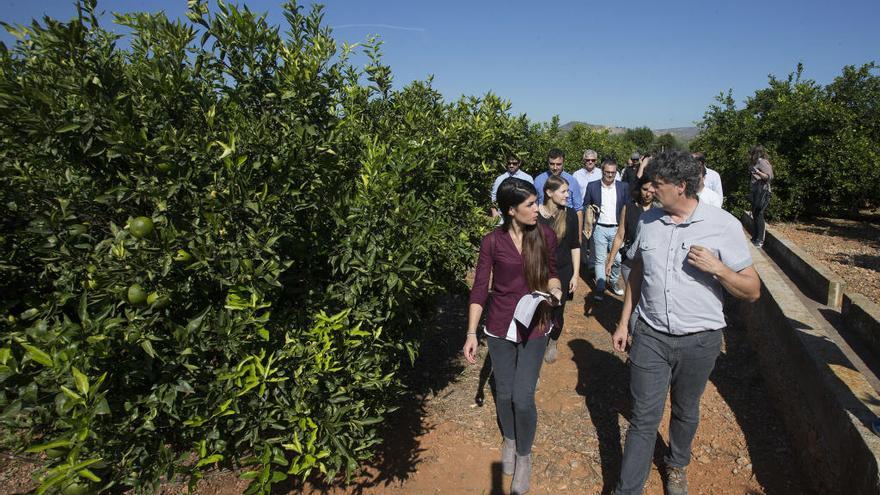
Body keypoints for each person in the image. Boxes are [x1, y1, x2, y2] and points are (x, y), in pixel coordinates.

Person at [610, 151, 761, 495]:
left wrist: (719, 269)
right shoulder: (648, 221)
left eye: (657, 184)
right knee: (644, 417)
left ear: (681, 186)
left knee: (685, 408)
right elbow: (636, 273)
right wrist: (623, 322)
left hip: (701, 341)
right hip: (650, 334)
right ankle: (627, 489)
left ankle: (676, 464)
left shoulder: (723, 225)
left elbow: (752, 291)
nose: (649, 189)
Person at [463, 177, 563, 494]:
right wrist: (470, 333)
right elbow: (480, 288)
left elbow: (552, 273)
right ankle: (509, 438)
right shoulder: (492, 241)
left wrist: (556, 290)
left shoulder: (544, 234)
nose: (537, 209)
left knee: (522, 397)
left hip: (535, 325)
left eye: (536, 202)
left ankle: (524, 455)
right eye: (530, 205)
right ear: (511, 210)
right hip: (499, 326)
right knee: (504, 394)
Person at [537, 175, 580, 363]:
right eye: (563, 191)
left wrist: (576, 274)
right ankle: (536, 348)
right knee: (539, 311)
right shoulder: (534, 215)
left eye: (568, 191)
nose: (567, 195)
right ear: (549, 192)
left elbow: (575, 245)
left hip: (562, 271)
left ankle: (553, 340)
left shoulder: (569, 214)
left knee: (557, 312)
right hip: (538, 272)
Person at [583, 158, 629, 301]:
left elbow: (627, 207)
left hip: (617, 228)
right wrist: (590, 213)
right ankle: (601, 287)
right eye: (607, 172)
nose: (610, 175)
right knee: (600, 259)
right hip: (599, 228)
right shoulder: (592, 186)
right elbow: (586, 204)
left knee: (617, 259)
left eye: (613, 173)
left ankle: (613, 282)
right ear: (602, 171)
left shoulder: (623, 187)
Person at [605, 175, 655, 285]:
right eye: (645, 189)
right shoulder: (628, 208)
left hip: (652, 264)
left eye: (652, 191)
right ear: (639, 188)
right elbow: (620, 235)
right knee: (632, 297)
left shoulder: (660, 211)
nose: (648, 194)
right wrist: (611, 260)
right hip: (630, 262)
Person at [535, 148, 584, 237]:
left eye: (558, 164)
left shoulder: (572, 181)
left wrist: (579, 236)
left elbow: (578, 210)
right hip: (544, 225)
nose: (555, 167)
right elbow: (535, 206)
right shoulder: (538, 181)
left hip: (566, 223)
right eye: (552, 164)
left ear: (563, 163)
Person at [748, 145, 774, 247]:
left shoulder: (762, 162)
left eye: (751, 153)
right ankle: (755, 237)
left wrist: (757, 171)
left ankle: (760, 239)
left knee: (759, 214)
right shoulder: (756, 163)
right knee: (755, 214)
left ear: (755, 153)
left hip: (762, 192)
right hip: (756, 192)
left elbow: (769, 177)